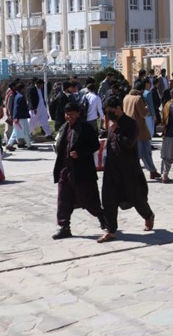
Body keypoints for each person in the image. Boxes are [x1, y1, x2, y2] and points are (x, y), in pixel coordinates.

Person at [98, 97, 155, 243]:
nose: (108, 115)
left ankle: (148, 215)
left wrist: (117, 131)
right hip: (111, 168)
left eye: (110, 112)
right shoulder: (111, 124)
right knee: (108, 198)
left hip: (128, 168)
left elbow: (129, 144)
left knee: (135, 197)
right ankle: (111, 231)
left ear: (118, 109)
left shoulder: (131, 124)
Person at [51, 101, 106, 240]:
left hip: (82, 170)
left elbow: (94, 145)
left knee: (87, 198)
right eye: (67, 114)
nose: (69, 117)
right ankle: (64, 227)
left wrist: (80, 153)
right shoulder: (64, 127)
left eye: (72, 114)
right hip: (65, 169)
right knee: (63, 199)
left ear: (78, 113)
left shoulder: (86, 128)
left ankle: (101, 215)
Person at [123, 80, 160, 181]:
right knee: (143, 152)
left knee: (141, 152)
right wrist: (147, 108)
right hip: (140, 129)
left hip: (130, 129)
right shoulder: (138, 98)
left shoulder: (126, 97)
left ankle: (152, 171)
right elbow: (143, 113)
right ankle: (139, 172)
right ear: (142, 89)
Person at [6, 84, 37, 151]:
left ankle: (9, 145)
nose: (25, 90)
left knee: (15, 132)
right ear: (22, 89)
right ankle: (29, 145)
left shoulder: (17, 96)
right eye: (24, 89)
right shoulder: (21, 97)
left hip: (18, 117)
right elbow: (17, 108)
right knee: (25, 131)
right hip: (21, 118)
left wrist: (15, 117)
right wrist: (16, 117)